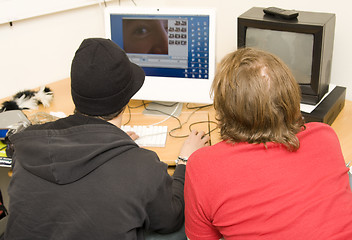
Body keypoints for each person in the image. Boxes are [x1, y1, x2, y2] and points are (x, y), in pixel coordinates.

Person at [2, 38, 209, 240]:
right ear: (126, 98)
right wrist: (184, 162)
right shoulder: (142, 166)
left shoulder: (26, 146)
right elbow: (171, 219)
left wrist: (114, 144)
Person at [184, 47, 352, 240]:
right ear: (291, 96)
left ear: (224, 109)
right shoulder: (325, 135)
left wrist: (184, 160)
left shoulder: (202, 166)